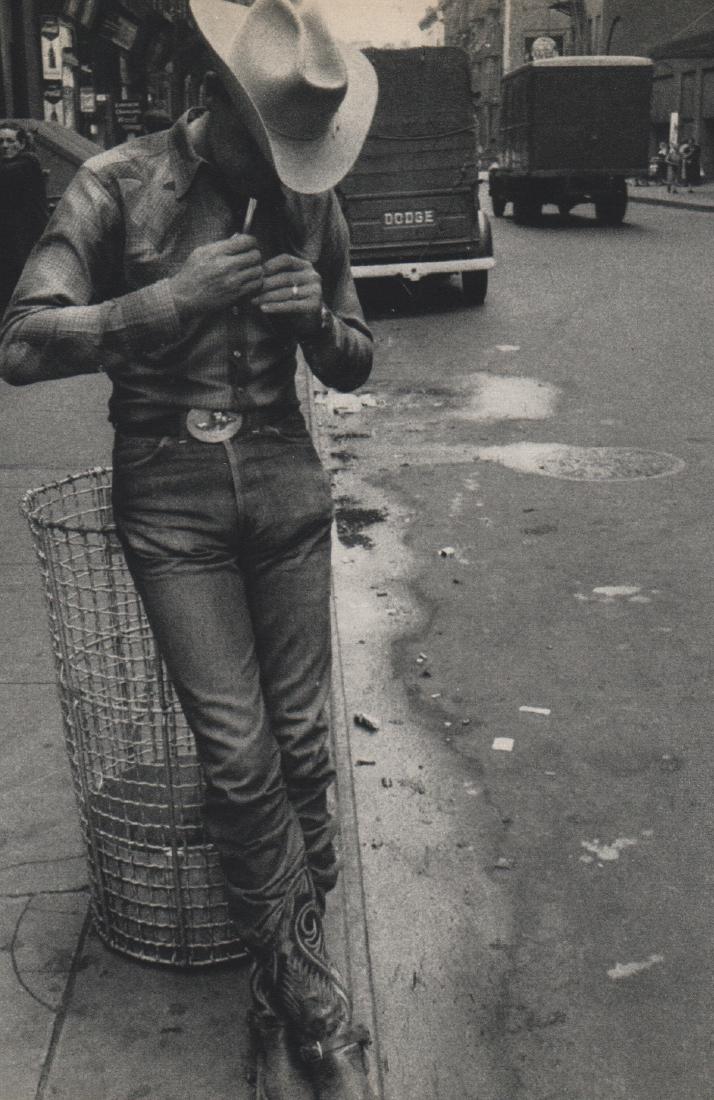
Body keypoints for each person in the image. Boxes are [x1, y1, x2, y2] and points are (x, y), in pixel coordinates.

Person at [0, 1, 378, 1097]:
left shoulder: (312, 201)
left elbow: (357, 358)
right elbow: (22, 341)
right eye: (275, 143)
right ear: (217, 98)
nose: (290, 170)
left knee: (306, 746)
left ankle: (284, 991)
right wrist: (163, 302)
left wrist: (316, 322)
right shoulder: (114, 184)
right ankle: (321, 1009)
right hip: (168, 492)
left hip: (284, 478)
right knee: (240, 754)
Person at [0, 120, 48, 316]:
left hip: (23, 239)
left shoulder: (27, 163)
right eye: (1, 141)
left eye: (10, 141)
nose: (4, 146)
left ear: (21, 144)